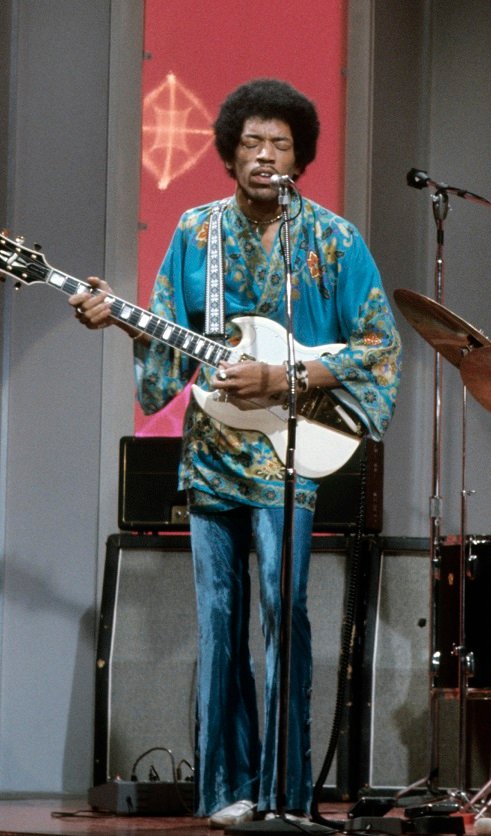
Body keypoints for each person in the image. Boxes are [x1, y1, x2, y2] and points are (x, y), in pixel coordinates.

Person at [70, 79, 401, 828]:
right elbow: (164, 337)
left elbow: (381, 346)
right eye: (251, 142)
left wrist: (288, 374)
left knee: (286, 613)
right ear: (227, 153)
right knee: (219, 621)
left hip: (288, 450)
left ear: (301, 156)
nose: (264, 155)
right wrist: (112, 317)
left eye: (279, 143)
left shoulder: (335, 240)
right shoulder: (196, 234)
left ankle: (287, 794)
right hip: (214, 450)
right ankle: (225, 791)